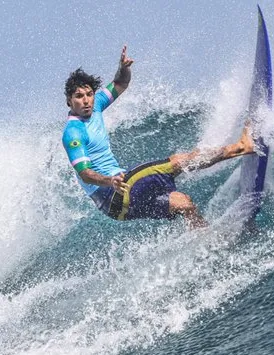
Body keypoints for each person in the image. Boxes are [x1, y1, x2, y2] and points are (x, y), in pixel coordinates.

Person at [62, 46, 254, 228]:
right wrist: (109, 181)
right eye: (79, 96)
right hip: (112, 193)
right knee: (177, 162)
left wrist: (123, 68)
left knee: (183, 203)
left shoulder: (95, 107)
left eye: (89, 94)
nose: (86, 100)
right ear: (69, 100)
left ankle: (205, 238)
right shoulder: (73, 133)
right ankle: (241, 147)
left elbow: (121, 83)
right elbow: (85, 174)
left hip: (118, 208)